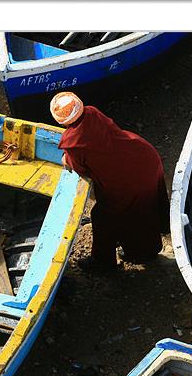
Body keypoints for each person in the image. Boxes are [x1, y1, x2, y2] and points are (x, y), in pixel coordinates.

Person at [50, 91, 170, 271]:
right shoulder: (92, 112)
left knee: (104, 216)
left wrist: (67, 159)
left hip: (128, 178)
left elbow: (80, 169)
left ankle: (106, 261)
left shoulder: (73, 143)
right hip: (144, 156)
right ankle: (150, 240)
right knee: (148, 205)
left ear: (62, 121)